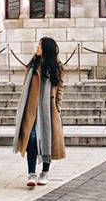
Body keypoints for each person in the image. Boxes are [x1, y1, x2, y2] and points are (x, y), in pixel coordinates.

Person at [12, 36, 66, 187]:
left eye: (40, 46)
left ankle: (45, 172)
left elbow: (60, 89)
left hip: (48, 110)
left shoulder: (57, 68)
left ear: (46, 49)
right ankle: (31, 173)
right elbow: (25, 86)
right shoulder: (32, 66)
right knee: (32, 139)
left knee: (47, 140)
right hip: (31, 109)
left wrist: (57, 108)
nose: (37, 48)